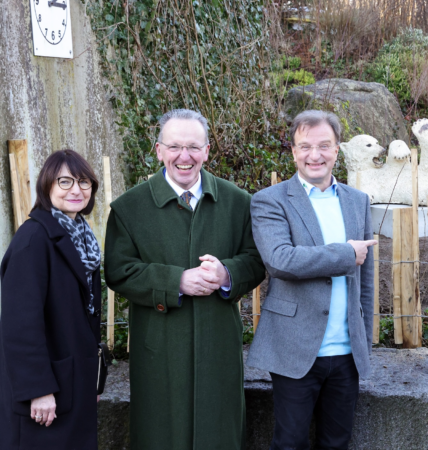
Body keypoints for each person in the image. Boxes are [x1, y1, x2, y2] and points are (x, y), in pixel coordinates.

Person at [104, 109, 265, 450]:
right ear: (159, 150)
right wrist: (175, 281)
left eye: (193, 147)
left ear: (207, 151)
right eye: (174, 146)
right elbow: (119, 270)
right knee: (161, 435)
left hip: (218, 346)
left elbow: (255, 260)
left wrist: (226, 273)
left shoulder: (238, 202)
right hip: (159, 349)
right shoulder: (128, 208)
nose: (184, 156)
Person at [246, 110, 375, 450]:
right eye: (305, 146)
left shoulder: (358, 201)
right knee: (289, 443)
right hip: (294, 349)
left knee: (337, 443)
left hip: (346, 353)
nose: (314, 155)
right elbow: (281, 260)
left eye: (324, 146)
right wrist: (346, 254)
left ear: (337, 150)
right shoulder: (269, 201)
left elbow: (365, 282)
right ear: (293, 151)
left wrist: (364, 344)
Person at [0, 150, 102, 449]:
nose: (76, 190)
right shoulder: (33, 239)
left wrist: (92, 379)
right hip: (46, 391)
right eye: (65, 181)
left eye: (84, 182)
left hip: (74, 381)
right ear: (47, 186)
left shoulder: (82, 237)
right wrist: (38, 389)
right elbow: (20, 324)